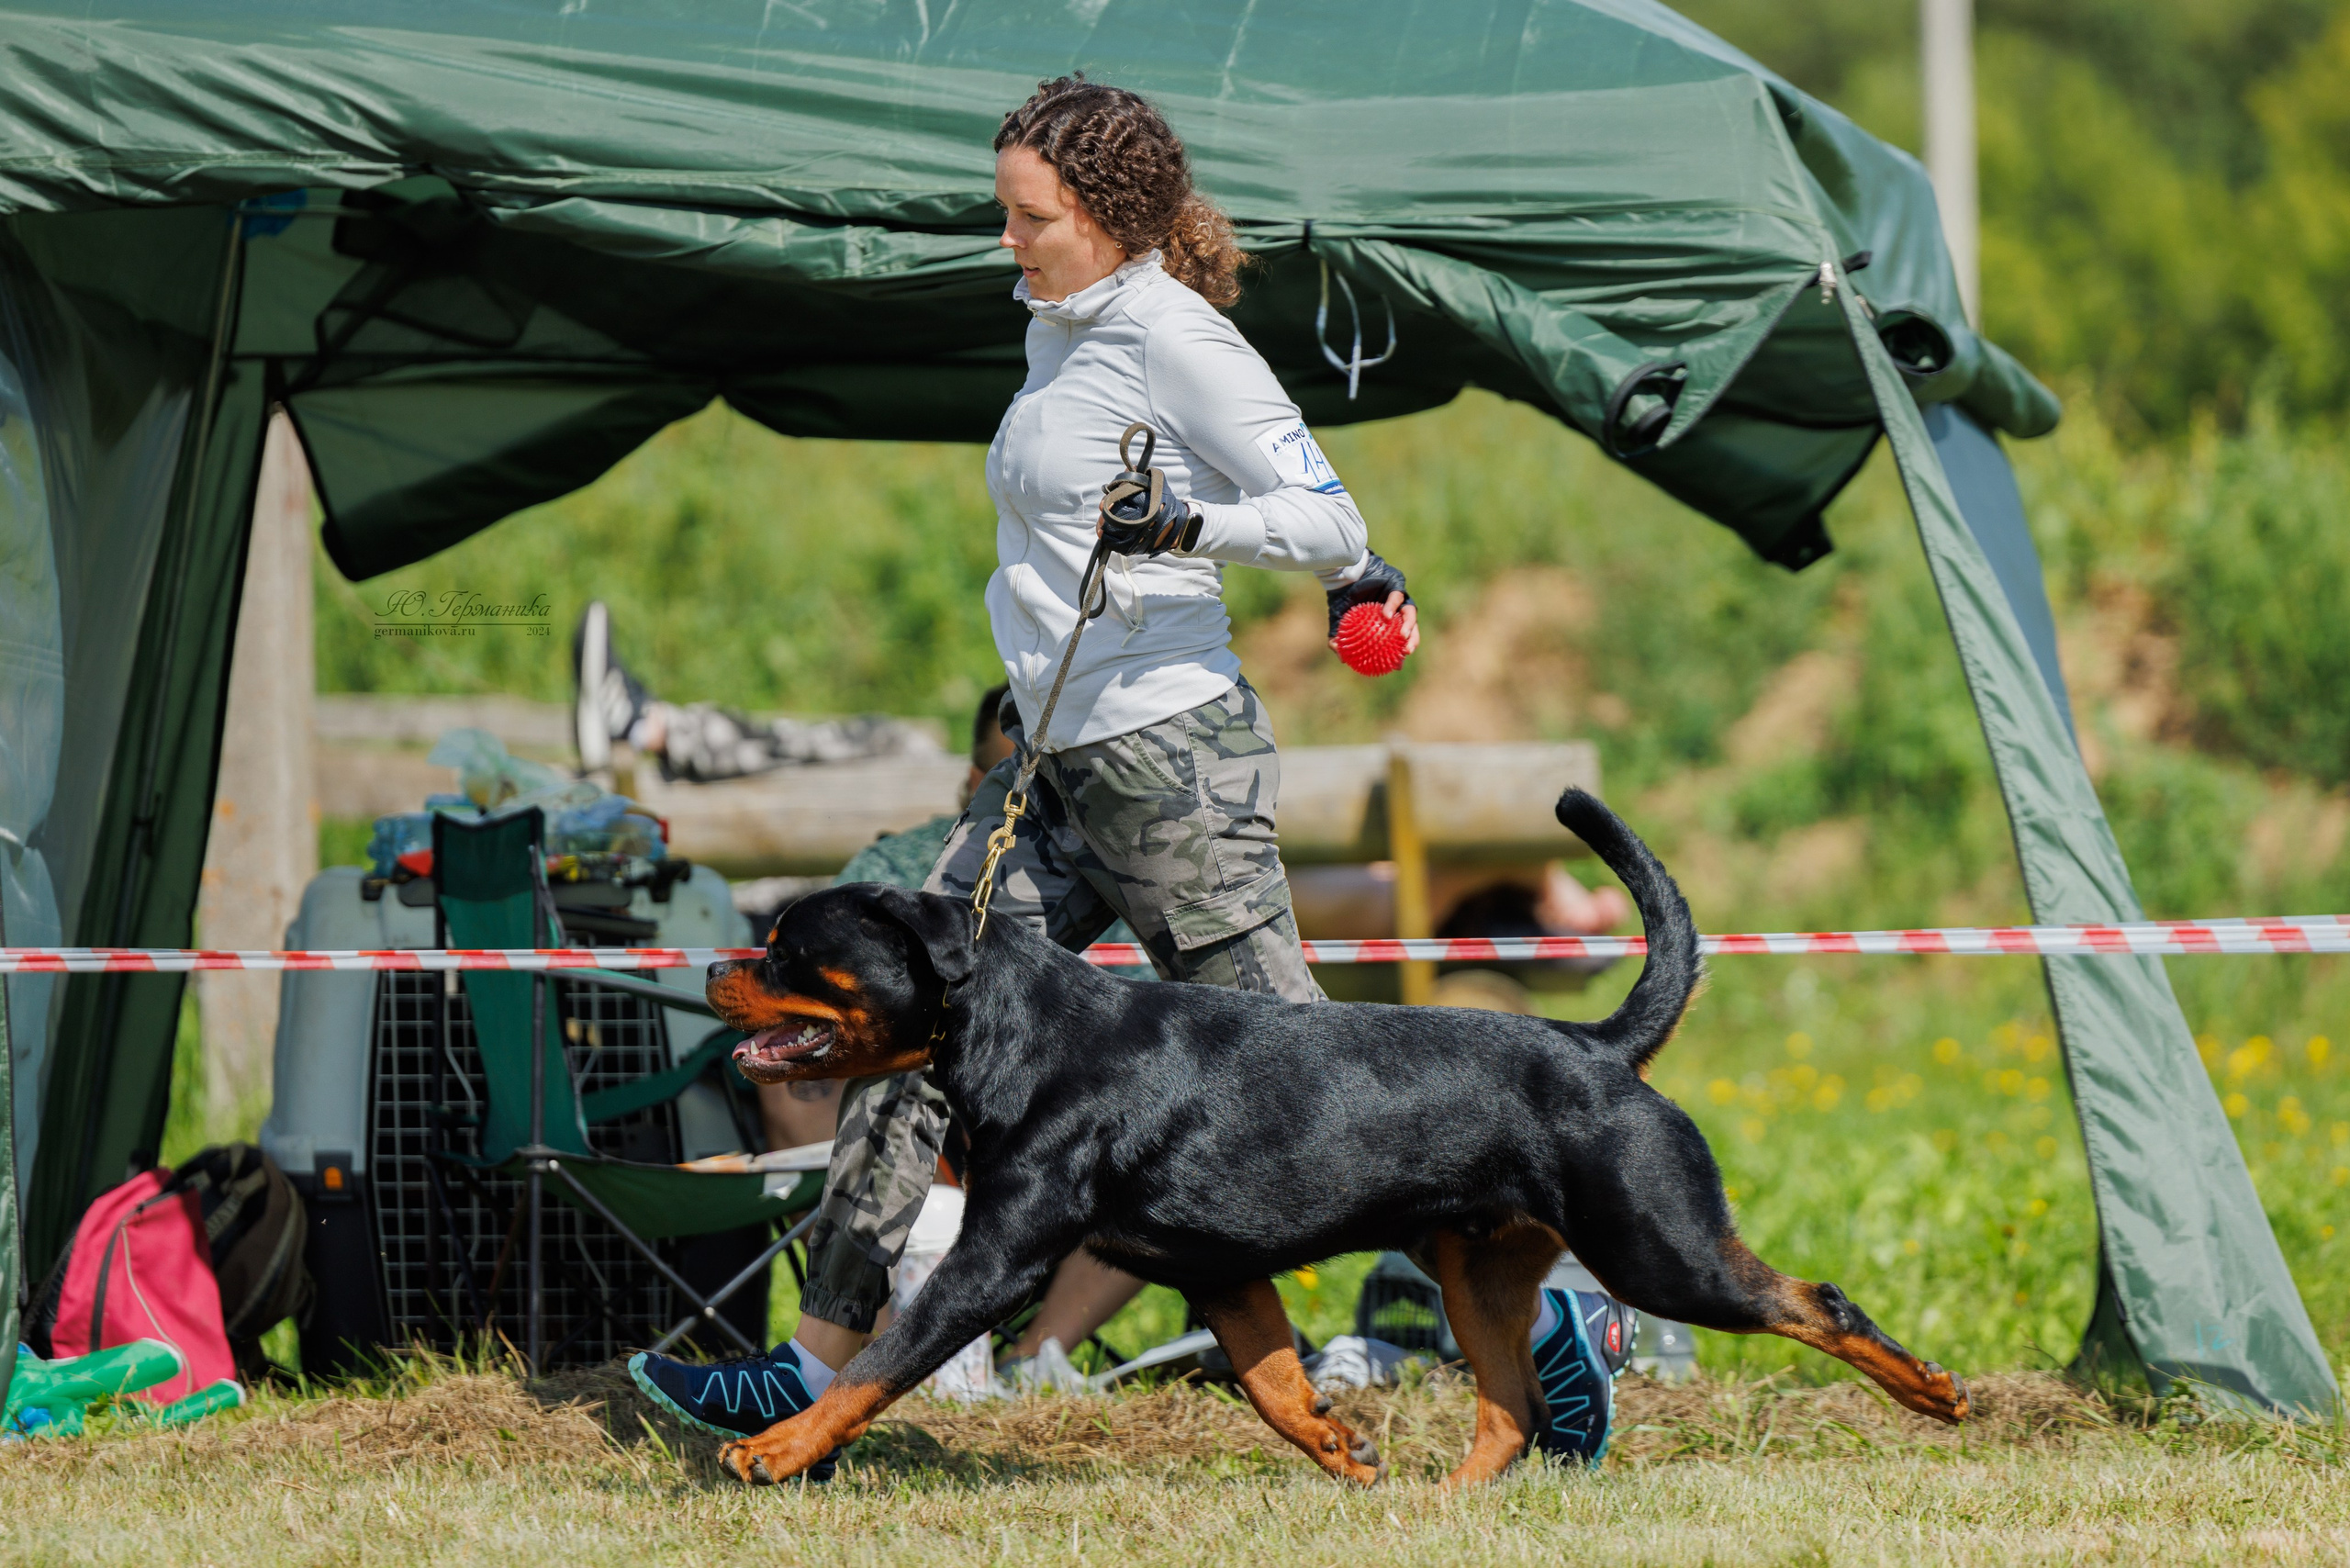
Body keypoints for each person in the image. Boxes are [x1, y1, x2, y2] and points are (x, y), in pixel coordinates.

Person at [626, 75, 1630, 1466]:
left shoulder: (1175, 338)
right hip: (1047, 770)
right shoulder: (1057, 327)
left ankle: (1561, 1321)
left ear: (1102, 218)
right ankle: (807, 1368)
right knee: (908, 1032)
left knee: (1316, 1087)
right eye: (1006, 214)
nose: (1006, 241)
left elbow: (1330, 518)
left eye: (1026, 217)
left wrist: (1183, 529)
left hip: (1171, 767)